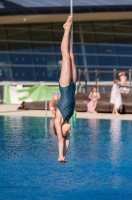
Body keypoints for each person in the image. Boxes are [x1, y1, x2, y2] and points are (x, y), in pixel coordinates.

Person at [54, 16, 76, 163]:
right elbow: (66, 141)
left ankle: (66, 29)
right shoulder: (67, 119)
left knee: (66, 58)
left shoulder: (59, 119)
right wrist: (66, 156)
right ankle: (69, 31)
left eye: (66, 132)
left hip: (65, 86)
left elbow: (61, 142)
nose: (69, 131)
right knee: (72, 57)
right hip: (73, 86)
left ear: (60, 131)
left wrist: (60, 156)